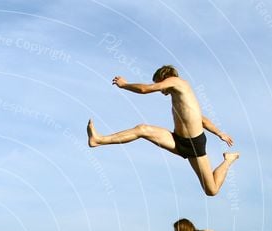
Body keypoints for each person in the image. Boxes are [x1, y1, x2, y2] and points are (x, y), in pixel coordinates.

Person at [87, 65, 239, 196]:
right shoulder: (178, 95)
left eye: (158, 84)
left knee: (211, 190)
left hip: (194, 144)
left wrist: (124, 84)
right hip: (177, 140)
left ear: (164, 77)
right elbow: (200, 118)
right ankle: (98, 140)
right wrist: (219, 133)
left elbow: (144, 89)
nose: (160, 90)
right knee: (142, 129)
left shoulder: (177, 81)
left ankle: (228, 160)